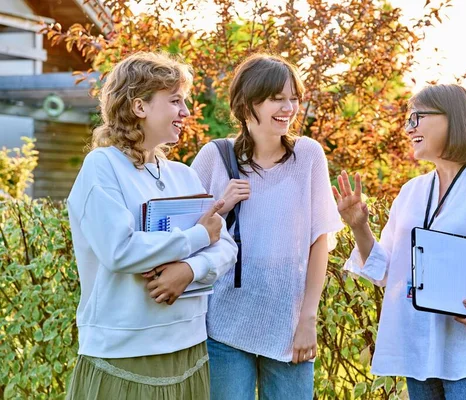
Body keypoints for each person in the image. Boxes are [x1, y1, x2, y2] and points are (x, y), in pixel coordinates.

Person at [334, 84, 466, 400]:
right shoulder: (411, 192)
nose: (409, 128)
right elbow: (388, 272)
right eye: (407, 120)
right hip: (419, 352)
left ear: (454, 118)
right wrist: (359, 227)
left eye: (417, 118)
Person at [65, 52, 237, 399]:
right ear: (139, 106)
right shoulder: (102, 167)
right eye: (175, 101)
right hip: (125, 351)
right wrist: (197, 236)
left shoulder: (183, 174)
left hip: (189, 347)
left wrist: (190, 268)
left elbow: (226, 245)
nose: (186, 112)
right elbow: (120, 250)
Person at [191, 53, 343, 399]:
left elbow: (320, 240)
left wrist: (307, 319)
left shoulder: (308, 156)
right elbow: (184, 236)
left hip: (289, 325)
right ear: (247, 105)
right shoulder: (214, 157)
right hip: (223, 324)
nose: (289, 107)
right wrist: (222, 205)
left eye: (294, 98)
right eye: (278, 98)